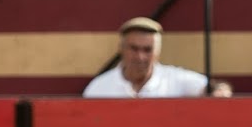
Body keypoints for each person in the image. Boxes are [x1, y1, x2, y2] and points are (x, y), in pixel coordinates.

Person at [82, 17, 233, 97]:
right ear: (121, 49)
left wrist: (220, 92)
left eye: (147, 50)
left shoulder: (174, 79)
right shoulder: (99, 87)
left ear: (157, 52)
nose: (140, 57)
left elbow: (214, 87)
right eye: (134, 48)